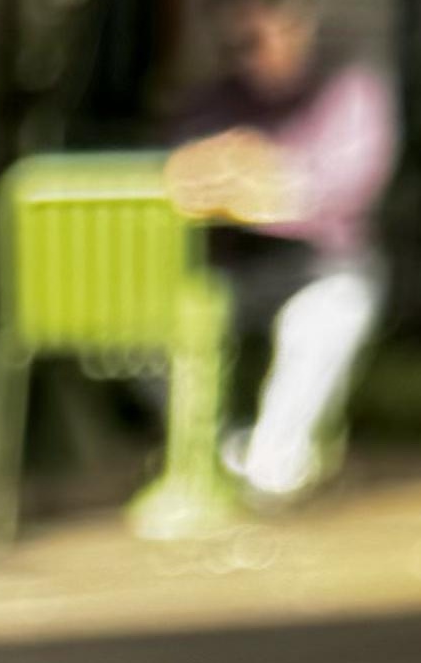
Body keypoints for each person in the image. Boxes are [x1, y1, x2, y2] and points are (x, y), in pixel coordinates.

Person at [164, 0, 398, 508]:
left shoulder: (351, 93)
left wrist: (255, 183)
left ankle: (273, 461)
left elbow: (344, 190)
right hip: (229, 268)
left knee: (330, 313)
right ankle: (215, 449)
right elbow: (176, 181)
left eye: (270, 25)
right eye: (240, 40)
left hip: (322, 264)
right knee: (144, 327)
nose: (257, 45)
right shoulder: (211, 102)